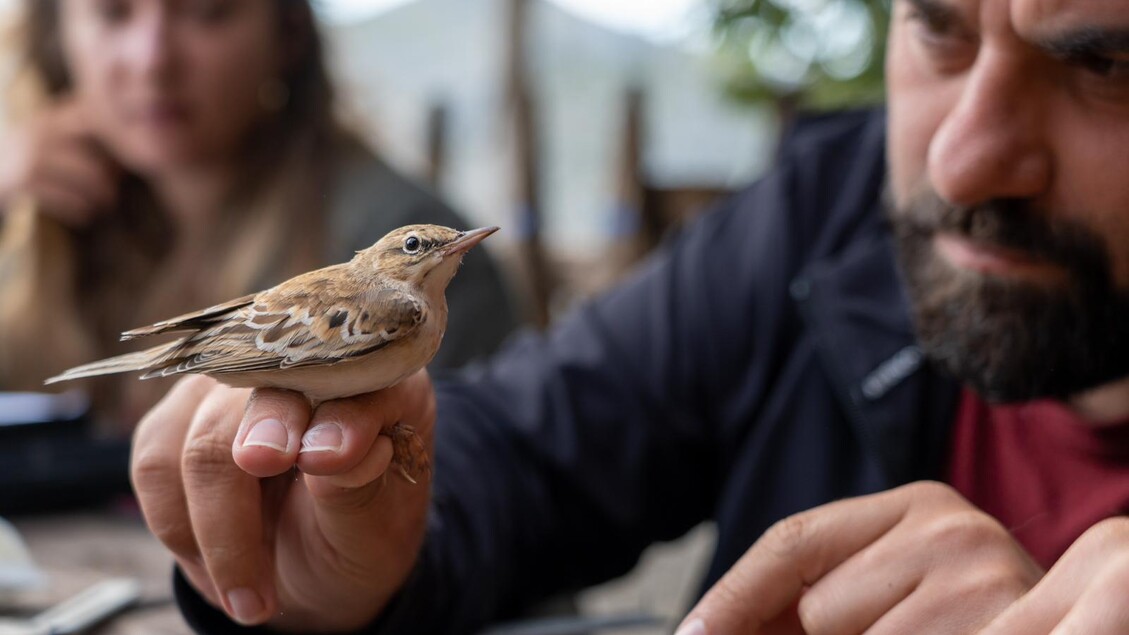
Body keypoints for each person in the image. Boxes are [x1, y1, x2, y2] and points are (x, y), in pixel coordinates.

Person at [131, 0, 1129, 632]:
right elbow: (530, 436)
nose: (961, 158)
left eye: (1106, 66)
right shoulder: (826, 215)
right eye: (935, 27)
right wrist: (357, 560)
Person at [0, 0, 518, 428]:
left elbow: (476, 482)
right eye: (113, 12)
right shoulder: (46, 208)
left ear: (287, 36)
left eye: (207, 11)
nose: (152, 59)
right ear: (56, 42)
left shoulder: (397, 219)